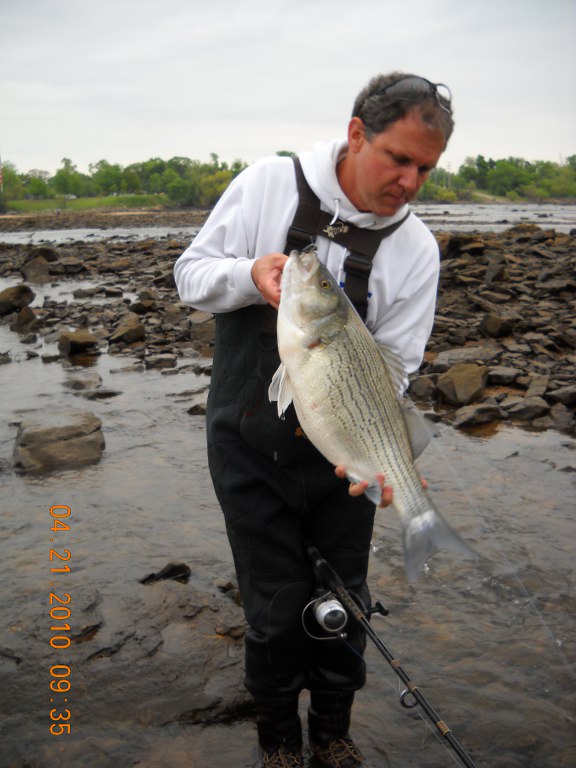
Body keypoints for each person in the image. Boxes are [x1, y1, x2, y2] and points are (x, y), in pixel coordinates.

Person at [174, 72, 454, 768]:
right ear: (357, 133)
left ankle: (332, 734)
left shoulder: (415, 251)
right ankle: (279, 744)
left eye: (426, 168)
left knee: (344, 600)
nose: (410, 181)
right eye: (398, 158)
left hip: (345, 452)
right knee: (273, 607)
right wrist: (251, 275)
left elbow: (396, 368)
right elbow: (191, 274)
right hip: (246, 440)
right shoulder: (269, 185)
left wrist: (373, 457)